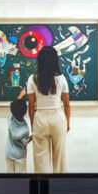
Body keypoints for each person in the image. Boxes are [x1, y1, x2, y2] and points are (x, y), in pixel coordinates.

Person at [27, 45, 71, 174]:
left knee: (40, 161)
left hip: (40, 119)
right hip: (58, 118)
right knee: (60, 159)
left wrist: (33, 126)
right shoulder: (61, 78)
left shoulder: (32, 79)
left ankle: (43, 191)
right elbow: (67, 104)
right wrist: (67, 123)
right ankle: (59, 189)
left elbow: (31, 106)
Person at [6, 88, 32, 172]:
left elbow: (15, 106)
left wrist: (21, 95)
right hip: (20, 157)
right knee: (20, 180)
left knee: (10, 177)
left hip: (9, 154)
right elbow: (25, 141)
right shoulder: (24, 129)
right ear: (25, 111)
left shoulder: (11, 119)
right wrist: (33, 136)